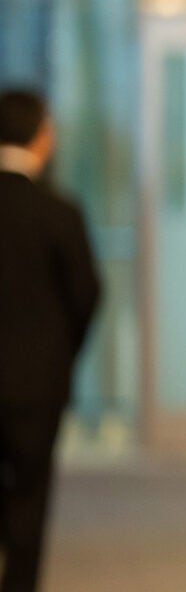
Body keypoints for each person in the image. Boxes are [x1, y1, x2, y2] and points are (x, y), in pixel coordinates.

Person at [0, 89, 100, 592]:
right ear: (40, 136)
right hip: (37, 388)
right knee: (29, 501)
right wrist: (61, 355)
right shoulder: (59, 211)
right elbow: (87, 295)